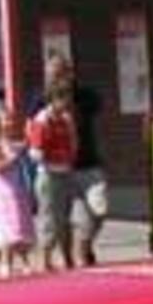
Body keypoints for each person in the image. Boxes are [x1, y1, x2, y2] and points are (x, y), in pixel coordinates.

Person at [53, 55, 110, 267]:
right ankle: (76, 255)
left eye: (64, 71)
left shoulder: (85, 95)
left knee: (100, 209)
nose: (59, 75)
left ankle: (83, 247)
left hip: (89, 164)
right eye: (55, 72)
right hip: (60, 170)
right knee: (68, 219)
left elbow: (98, 104)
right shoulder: (43, 99)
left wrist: (72, 96)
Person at [26, 68, 81, 274]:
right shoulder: (42, 119)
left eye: (68, 99)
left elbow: (74, 143)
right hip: (48, 175)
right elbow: (34, 152)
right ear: (53, 99)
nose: (66, 103)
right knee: (48, 217)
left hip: (65, 171)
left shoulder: (66, 119)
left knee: (65, 217)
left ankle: (67, 258)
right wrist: (51, 154)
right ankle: (45, 260)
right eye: (63, 99)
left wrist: (70, 151)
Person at [0, 109, 36, 278]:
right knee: (8, 229)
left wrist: (29, 130)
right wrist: (13, 157)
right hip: (4, 194)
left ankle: (25, 261)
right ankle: (6, 264)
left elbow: (26, 144)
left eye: (11, 120)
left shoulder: (13, 143)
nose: (10, 123)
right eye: (6, 120)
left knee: (19, 227)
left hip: (18, 191)